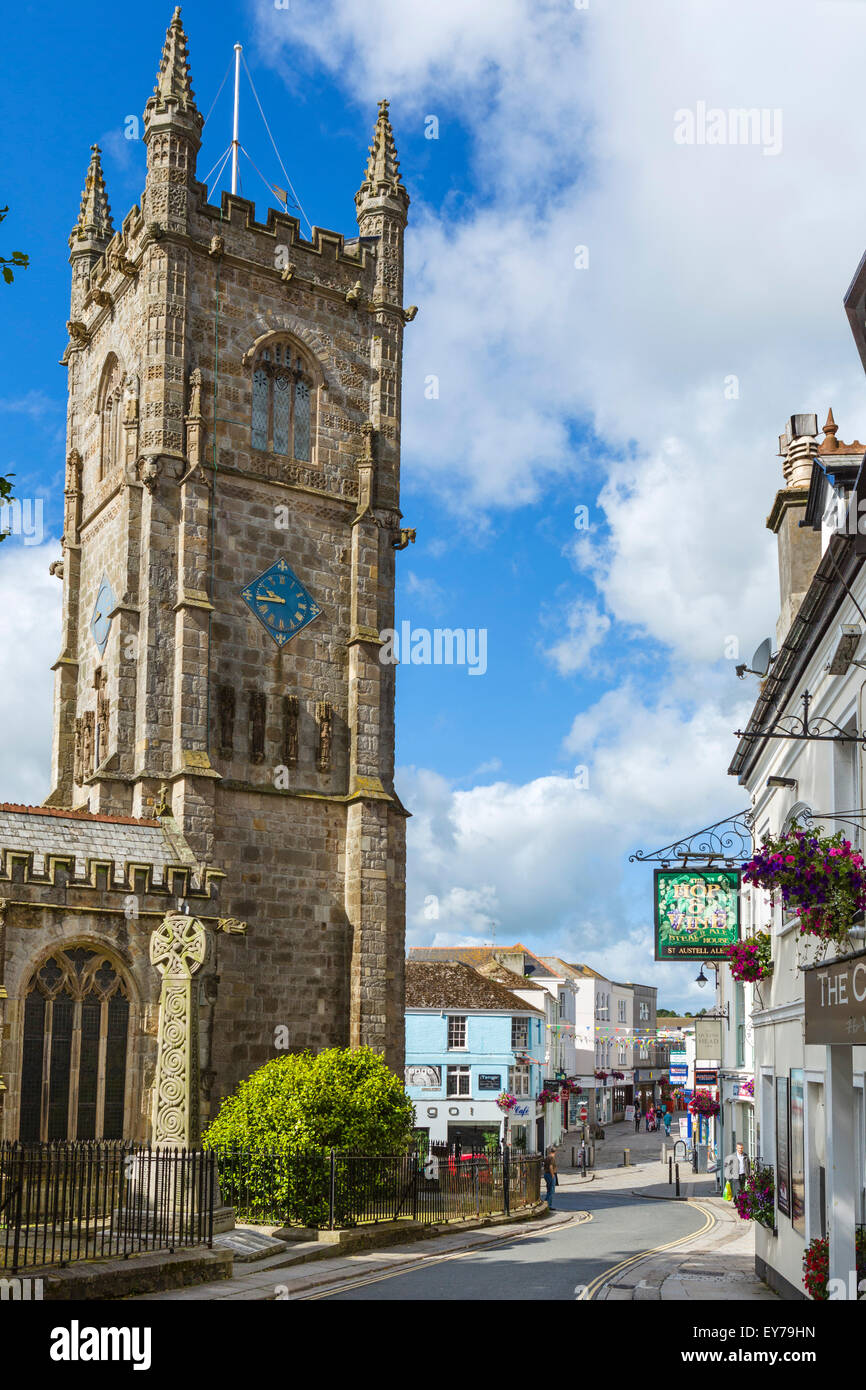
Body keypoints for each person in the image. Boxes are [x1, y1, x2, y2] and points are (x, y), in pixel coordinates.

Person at [543, 1145, 558, 1209]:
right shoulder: (552, 1158)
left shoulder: (547, 1157)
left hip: (546, 1174)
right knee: (551, 1191)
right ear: (555, 1152)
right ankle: (549, 1206)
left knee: (548, 1190)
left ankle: (545, 1204)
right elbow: (551, 1167)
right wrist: (552, 1175)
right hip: (550, 1174)